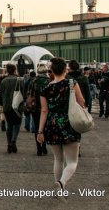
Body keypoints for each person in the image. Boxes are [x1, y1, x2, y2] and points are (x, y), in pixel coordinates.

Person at [37, 58, 85, 194]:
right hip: (70, 124)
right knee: (72, 162)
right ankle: (62, 183)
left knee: (58, 159)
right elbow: (82, 102)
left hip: (52, 126)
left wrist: (40, 132)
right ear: (66, 70)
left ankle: (59, 188)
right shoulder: (72, 83)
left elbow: (44, 111)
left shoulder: (46, 88)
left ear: (51, 71)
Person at [0, 63, 24, 153]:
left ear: (7, 70)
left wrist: (1, 104)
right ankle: (14, 141)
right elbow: (24, 93)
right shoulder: (20, 80)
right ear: (15, 70)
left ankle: (9, 144)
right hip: (18, 106)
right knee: (17, 124)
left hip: (7, 106)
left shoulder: (4, 81)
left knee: (9, 125)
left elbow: (0, 94)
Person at [27, 65, 50, 156]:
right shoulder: (48, 81)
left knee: (37, 128)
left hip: (35, 108)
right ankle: (44, 146)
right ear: (45, 72)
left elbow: (29, 93)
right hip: (46, 108)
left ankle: (38, 148)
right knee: (44, 128)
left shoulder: (33, 81)